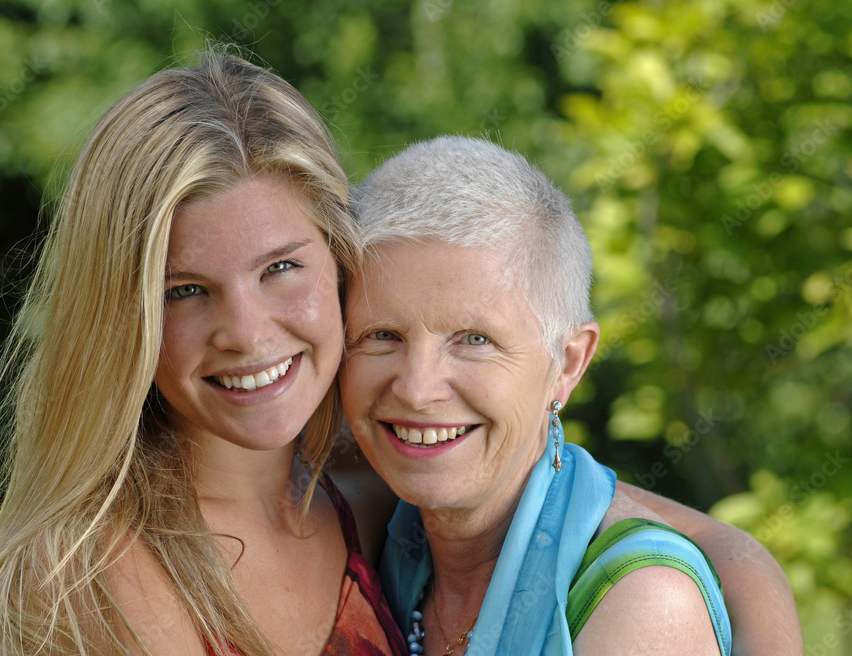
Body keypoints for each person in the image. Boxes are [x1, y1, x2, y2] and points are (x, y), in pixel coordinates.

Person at [0, 49, 798, 655]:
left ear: (337, 267)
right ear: (124, 316)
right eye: (185, 289)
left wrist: (747, 577)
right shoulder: (92, 571)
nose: (248, 333)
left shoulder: (363, 498)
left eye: (281, 269)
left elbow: (698, 545)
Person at [341, 135, 800, 655]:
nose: (417, 390)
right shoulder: (387, 532)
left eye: (474, 340)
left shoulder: (642, 603)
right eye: (382, 336)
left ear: (569, 363)